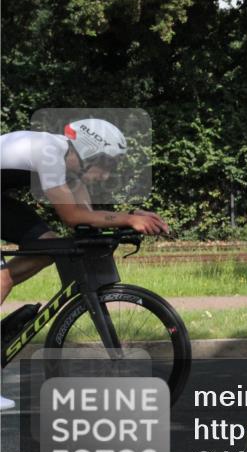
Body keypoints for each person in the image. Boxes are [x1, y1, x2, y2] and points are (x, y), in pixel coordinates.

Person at [0, 118, 169, 411]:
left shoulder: (70, 171)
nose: (105, 176)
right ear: (88, 152)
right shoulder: (49, 152)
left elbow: (87, 219)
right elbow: (73, 217)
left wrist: (124, 223)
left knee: (48, 247)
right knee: (2, 279)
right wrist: (128, 217)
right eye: (105, 165)